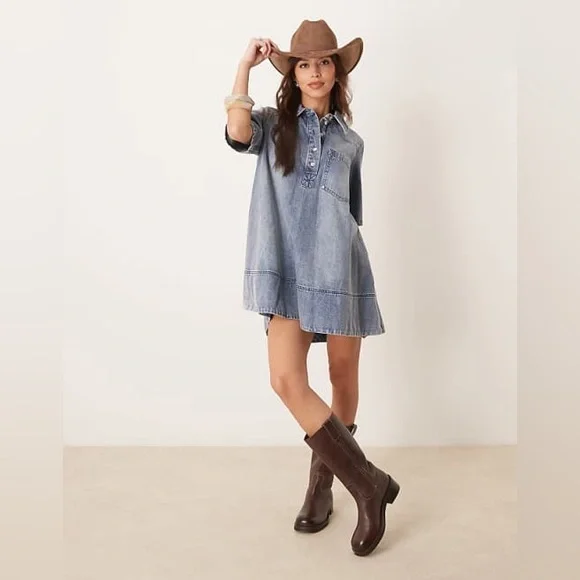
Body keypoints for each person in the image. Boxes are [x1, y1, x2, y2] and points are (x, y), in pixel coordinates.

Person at [224, 19, 400, 557]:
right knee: (285, 379)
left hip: (341, 269)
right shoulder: (272, 124)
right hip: (287, 272)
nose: (316, 72)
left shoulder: (351, 142)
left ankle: (321, 488)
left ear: (336, 71)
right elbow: (236, 131)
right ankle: (368, 484)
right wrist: (245, 66)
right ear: (293, 74)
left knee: (342, 377)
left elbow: (351, 216)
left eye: (324, 62)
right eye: (305, 64)